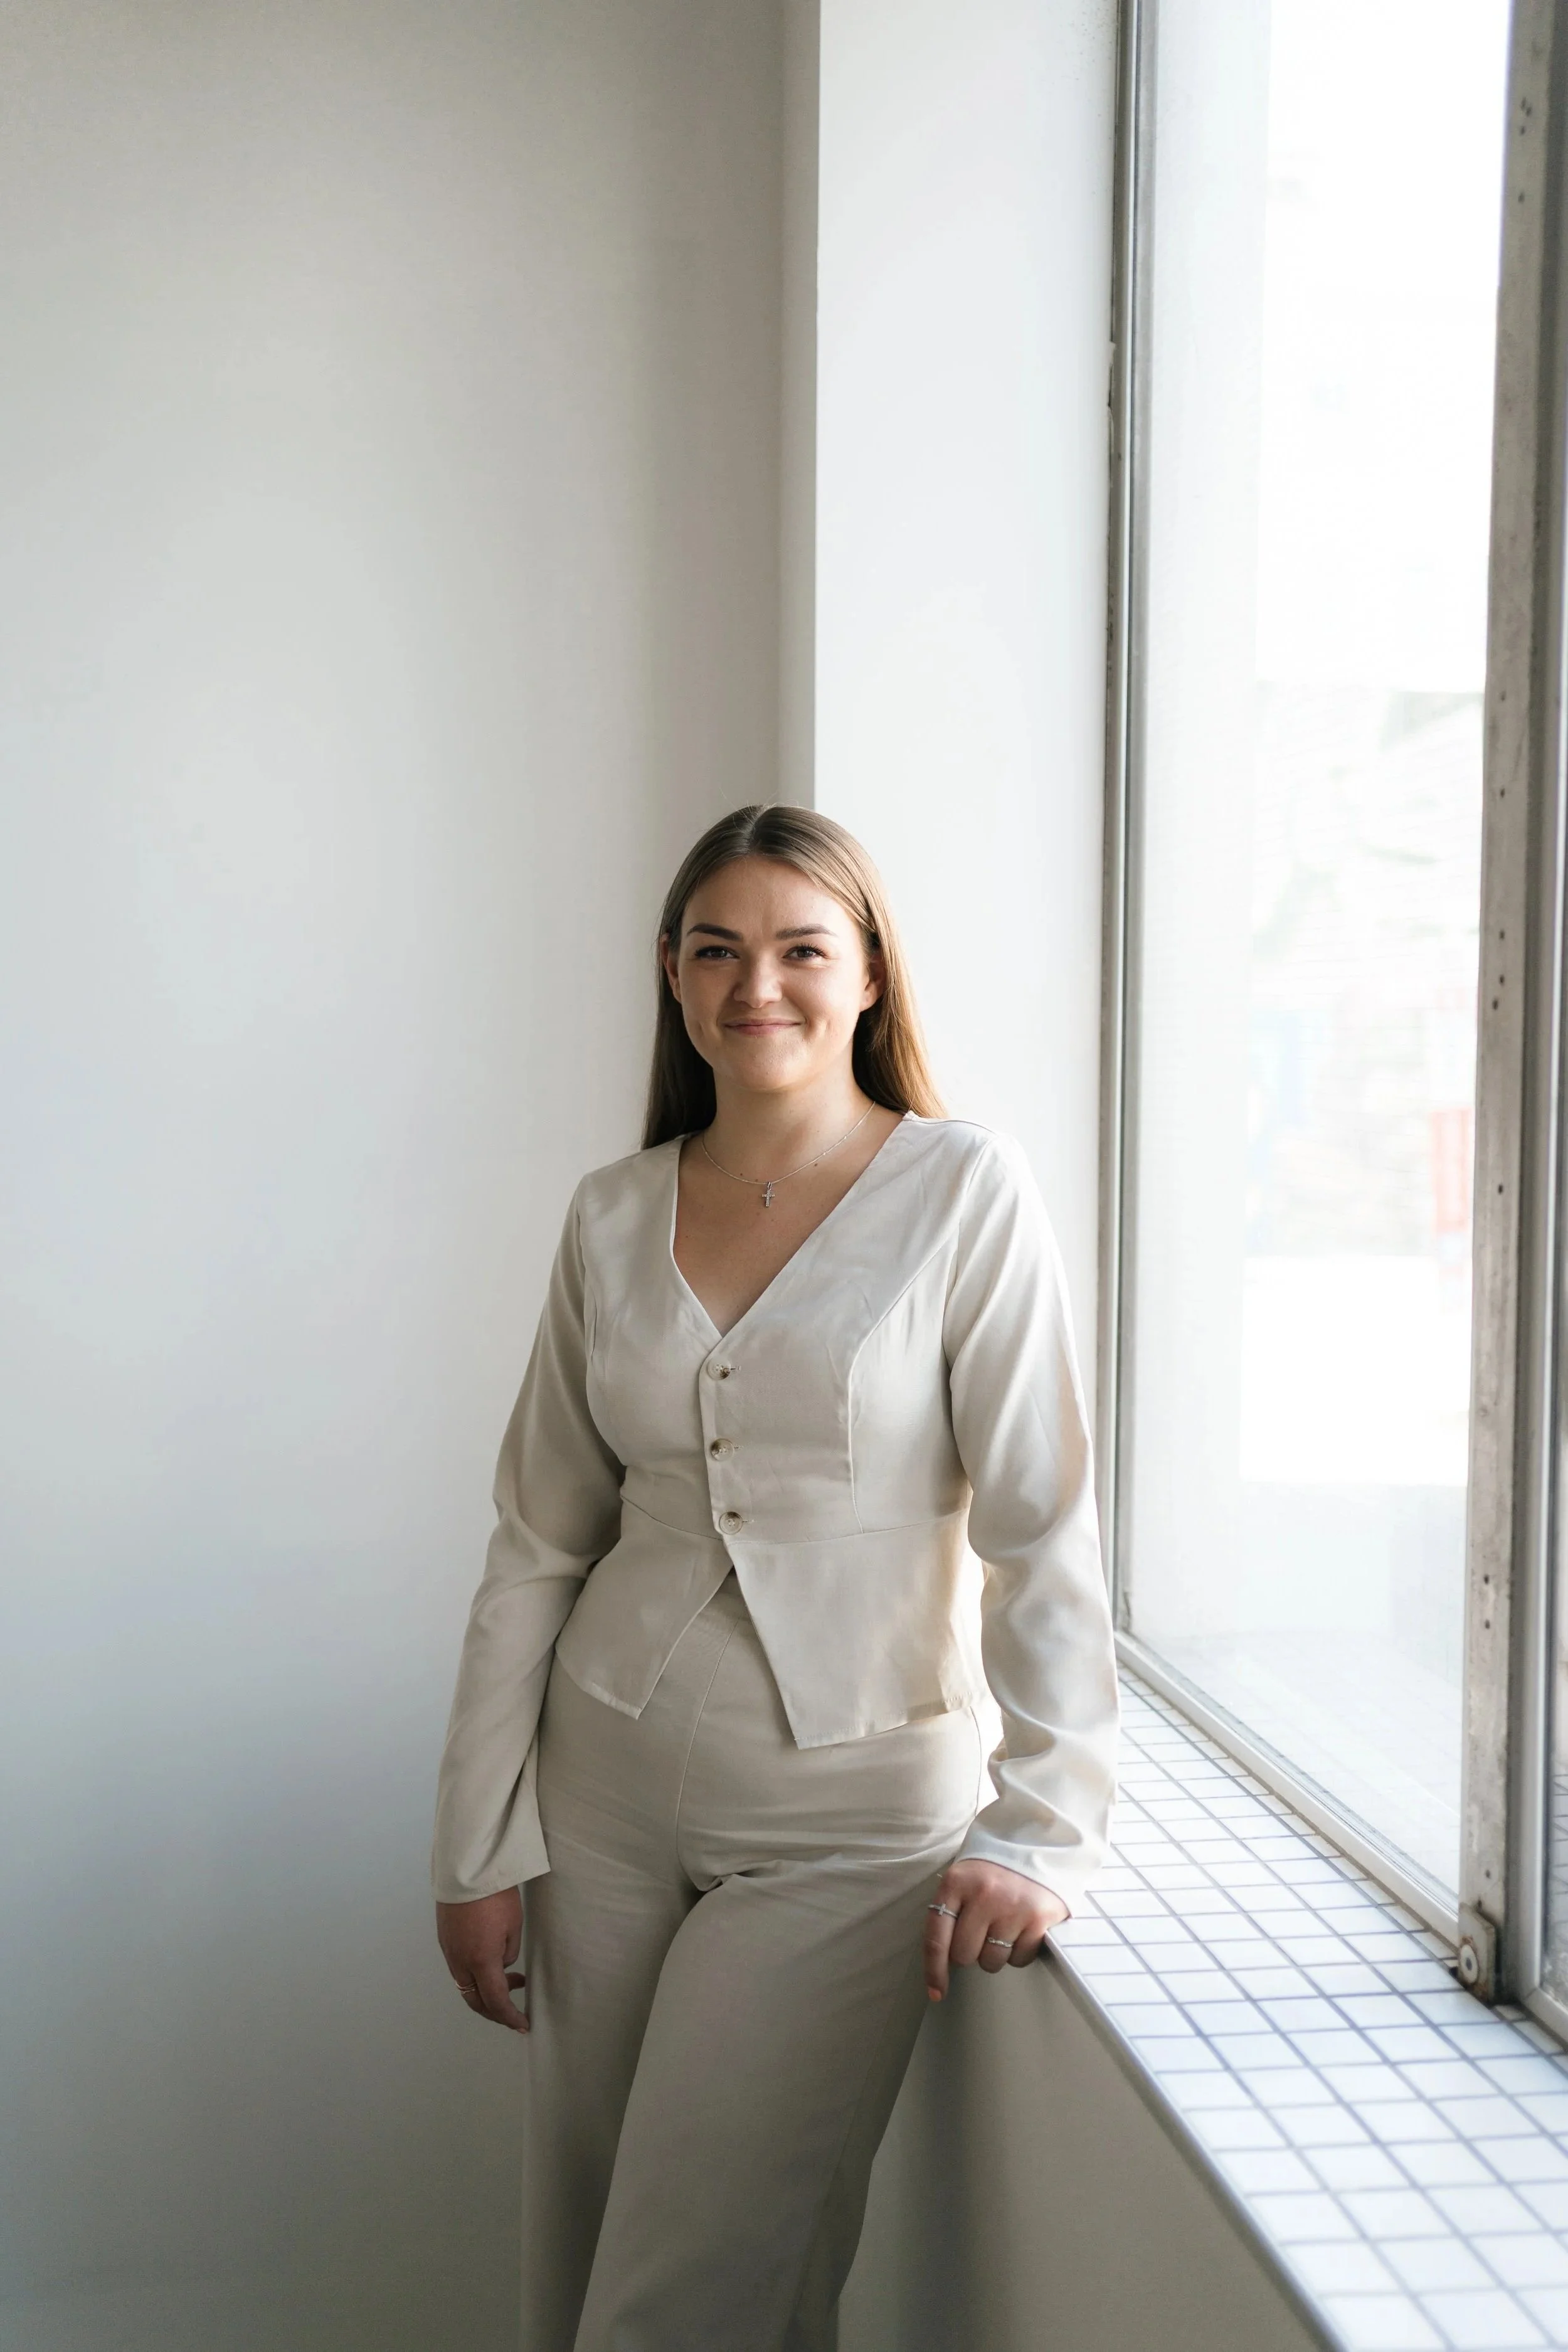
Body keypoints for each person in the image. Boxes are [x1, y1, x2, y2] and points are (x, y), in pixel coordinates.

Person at [432, 803, 1119, 2352]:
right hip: (600, 1788)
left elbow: (1040, 1527)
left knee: (692, 2289)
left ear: (868, 974)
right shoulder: (612, 1210)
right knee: (589, 2250)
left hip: (848, 1815)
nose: (758, 986)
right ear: (670, 976)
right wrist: (473, 1841)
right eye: (716, 951)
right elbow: (538, 1538)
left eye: (802, 950)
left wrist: (1043, 1825)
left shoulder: (964, 1190)